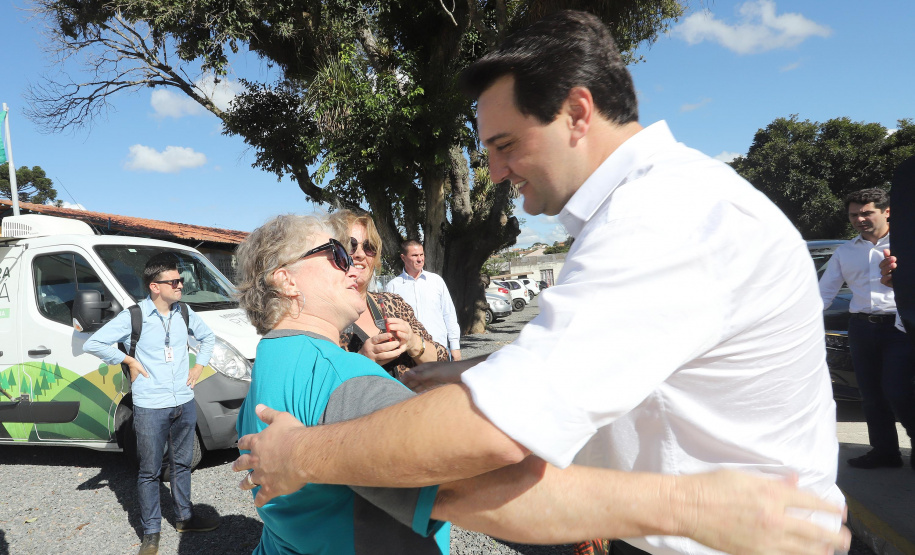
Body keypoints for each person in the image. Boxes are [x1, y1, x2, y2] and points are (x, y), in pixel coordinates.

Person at [233, 11, 851, 555]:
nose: (496, 171)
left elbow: (484, 445)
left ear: (577, 113)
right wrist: (470, 372)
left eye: (505, 144)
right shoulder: (650, 210)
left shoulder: (664, 218)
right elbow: (613, 356)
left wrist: (296, 455)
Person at [84, 253, 218, 555]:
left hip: (184, 401)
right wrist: (128, 360)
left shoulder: (184, 312)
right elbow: (95, 343)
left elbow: (208, 338)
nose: (180, 285)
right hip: (150, 405)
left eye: (181, 280)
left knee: (182, 465)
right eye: (174, 281)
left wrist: (199, 366)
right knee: (150, 471)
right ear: (154, 287)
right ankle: (151, 532)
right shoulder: (135, 316)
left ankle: (185, 518)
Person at [821, 188, 915, 470]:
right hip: (861, 328)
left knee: (897, 390)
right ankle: (885, 452)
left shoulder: (907, 245)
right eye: (854, 215)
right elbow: (824, 293)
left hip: (899, 328)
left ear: (887, 212)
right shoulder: (845, 252)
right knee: (871, 395)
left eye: (866, 213)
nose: (859, 219)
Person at [330, 210, 450, 379]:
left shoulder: (393, 303)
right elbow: (313, 386)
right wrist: (363, 360)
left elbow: (443, 361)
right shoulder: (321, 316)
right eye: (350, 245)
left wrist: (413, 342)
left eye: (369, 247)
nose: (360, 254)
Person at [385, 240, 462, 360]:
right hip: (410, 354)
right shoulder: (393, 286)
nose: (420, 259)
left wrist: (455, 347)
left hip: (440, 350)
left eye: (421, 254)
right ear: (403, 257)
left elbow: (449, 314)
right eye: (415, 255)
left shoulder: (436, 281)